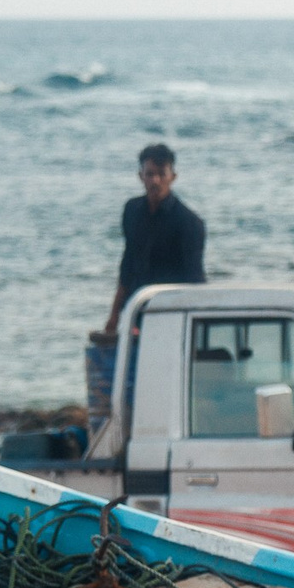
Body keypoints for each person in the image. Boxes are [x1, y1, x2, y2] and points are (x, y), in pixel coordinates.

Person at [87, 142, 207, 425]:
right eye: (149, 173)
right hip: (135, 313)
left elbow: (194, 281)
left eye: (160, 174)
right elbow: (127, 265)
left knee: (162, 381)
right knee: (130, 379)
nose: (154, 180)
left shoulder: (189, 223)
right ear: (140, 175)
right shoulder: (132, 211)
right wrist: (114, 317)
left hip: (169, 314)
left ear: (172, 177)